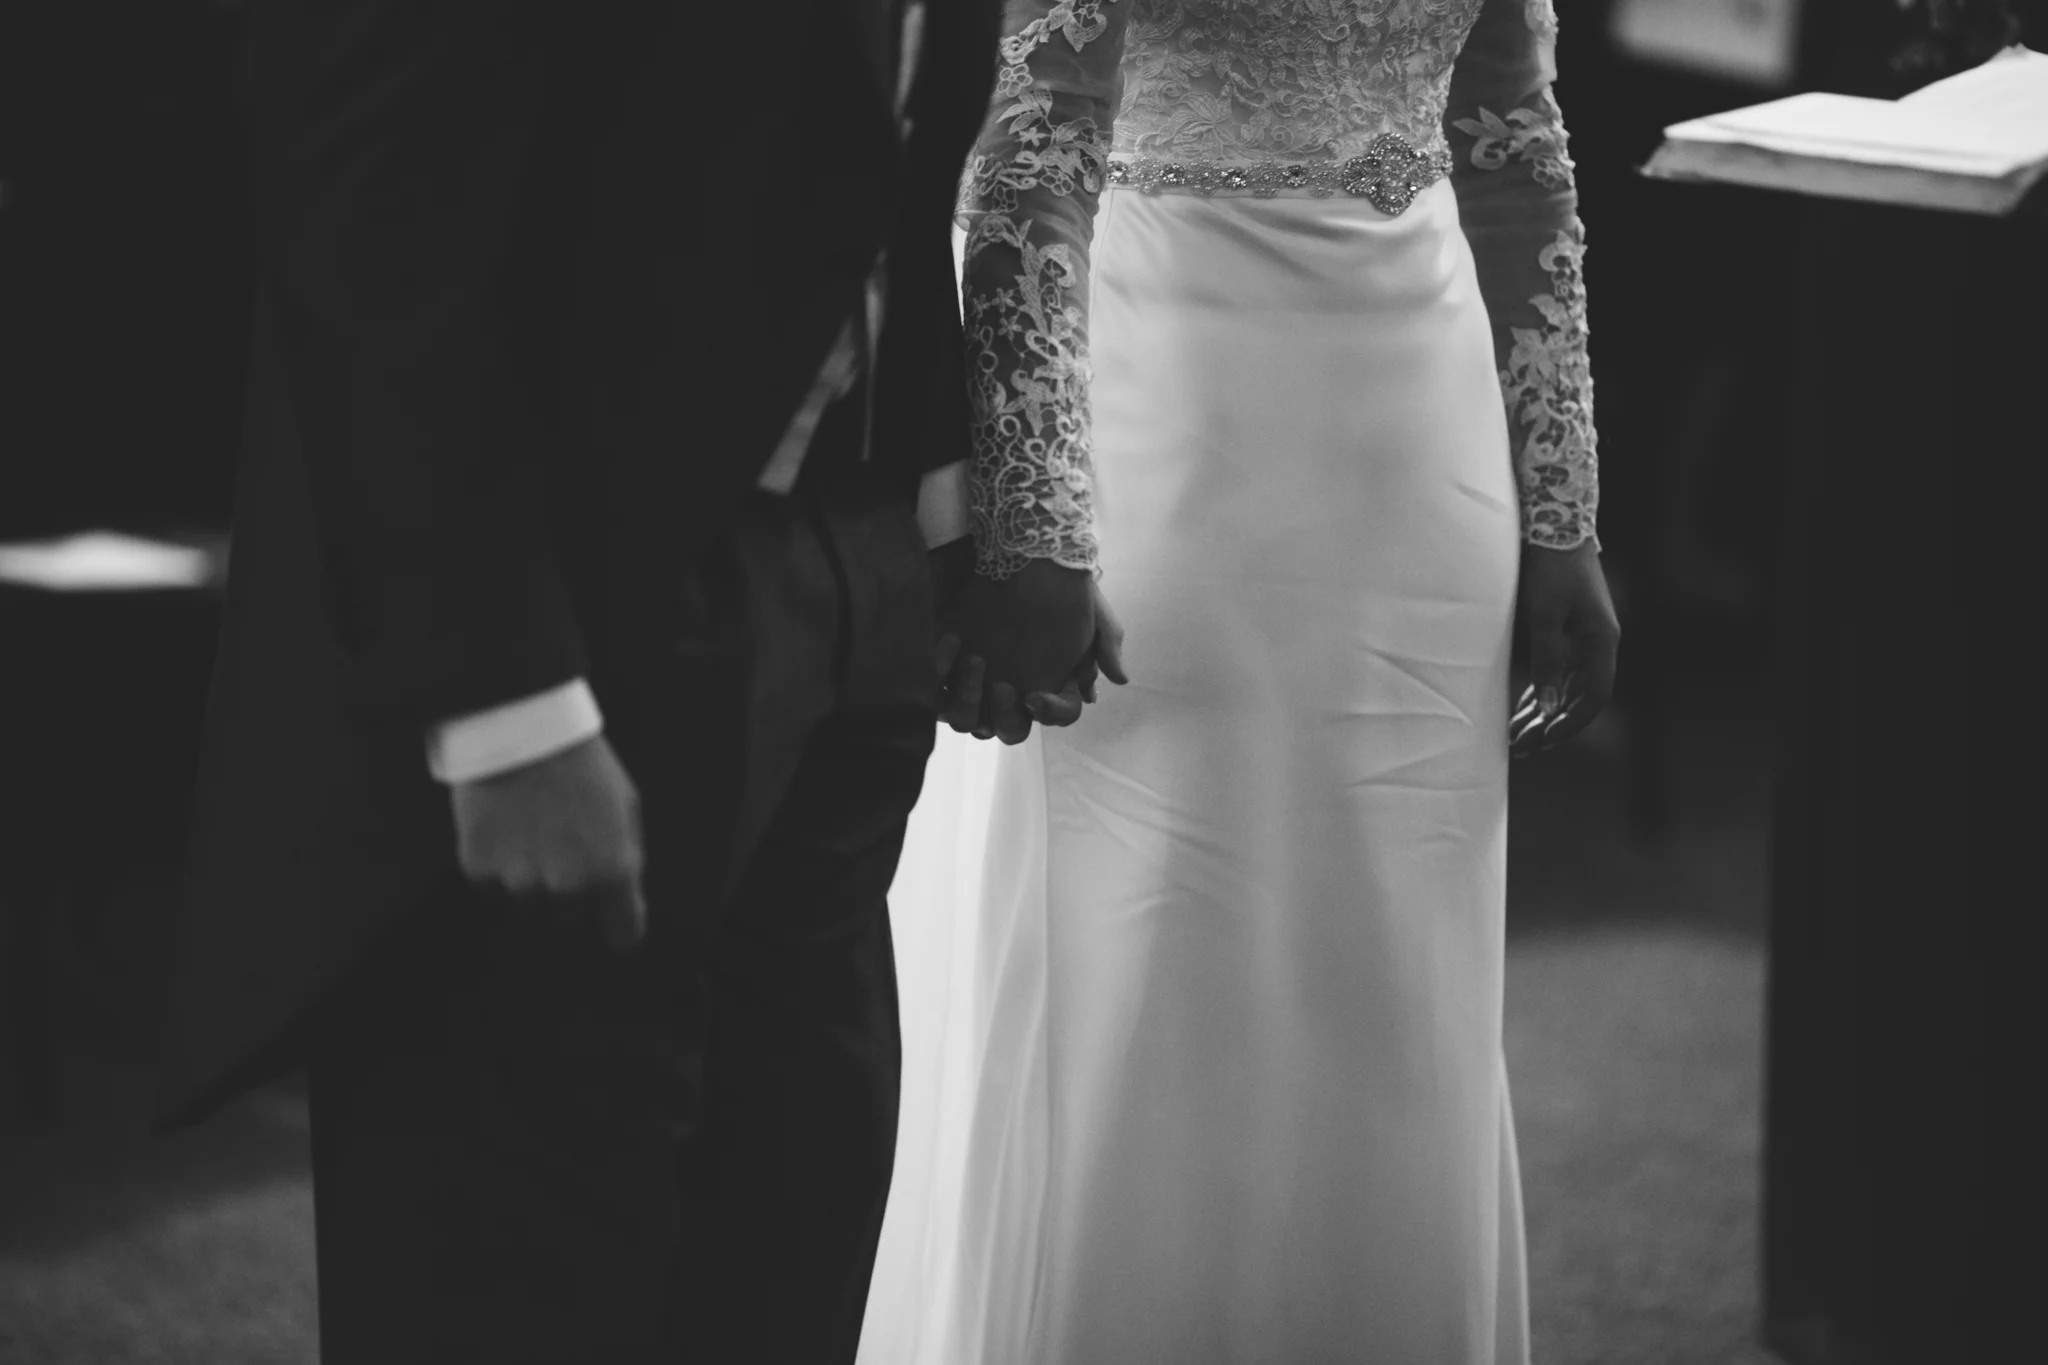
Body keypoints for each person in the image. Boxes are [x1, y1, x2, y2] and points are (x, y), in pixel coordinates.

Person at [152, 3, 1105, 1362]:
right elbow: (370, 194)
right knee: (523, 1269)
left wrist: (948, 507)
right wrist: (501, 700)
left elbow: (883, 136)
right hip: (566, 612)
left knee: (785, 1246)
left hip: (851, 576)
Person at [864, 1, 1621, 1362]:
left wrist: (1559, 502)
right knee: (1160, 916)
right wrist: (1034, 515)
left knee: (1391, 939)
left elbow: (1514, 142)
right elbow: (1028, 148)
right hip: (1171, 390)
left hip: (1419, 416)